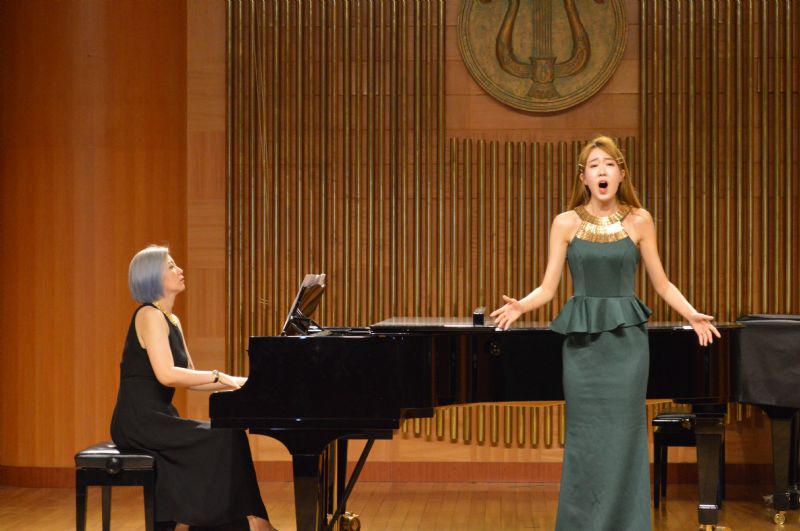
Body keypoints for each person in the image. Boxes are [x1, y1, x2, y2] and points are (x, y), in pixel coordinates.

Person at [490, 136, 721, 530]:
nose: (602, 170)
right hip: (581, 347)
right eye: (594, 165)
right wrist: (521, 306)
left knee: (625, 439)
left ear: (621, 174)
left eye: (609, 164)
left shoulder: (641, 220)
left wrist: (691, 314)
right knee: (585, 440)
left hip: (628, 348)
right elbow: (548, 288)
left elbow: (662, 283)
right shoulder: (565, 223)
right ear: (583, 177)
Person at [111, 245, 277, 531]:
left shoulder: (171, 320)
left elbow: (189, 376)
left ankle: (244, 521)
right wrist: (221, 376)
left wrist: (242, 382)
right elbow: (167, 375)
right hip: (139, 421)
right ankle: (247, 523)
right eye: (171, 266)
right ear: (153, 277)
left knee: (231, 433)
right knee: (222, 438)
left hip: (160, 417)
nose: (179, 270)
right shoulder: (148, 315)